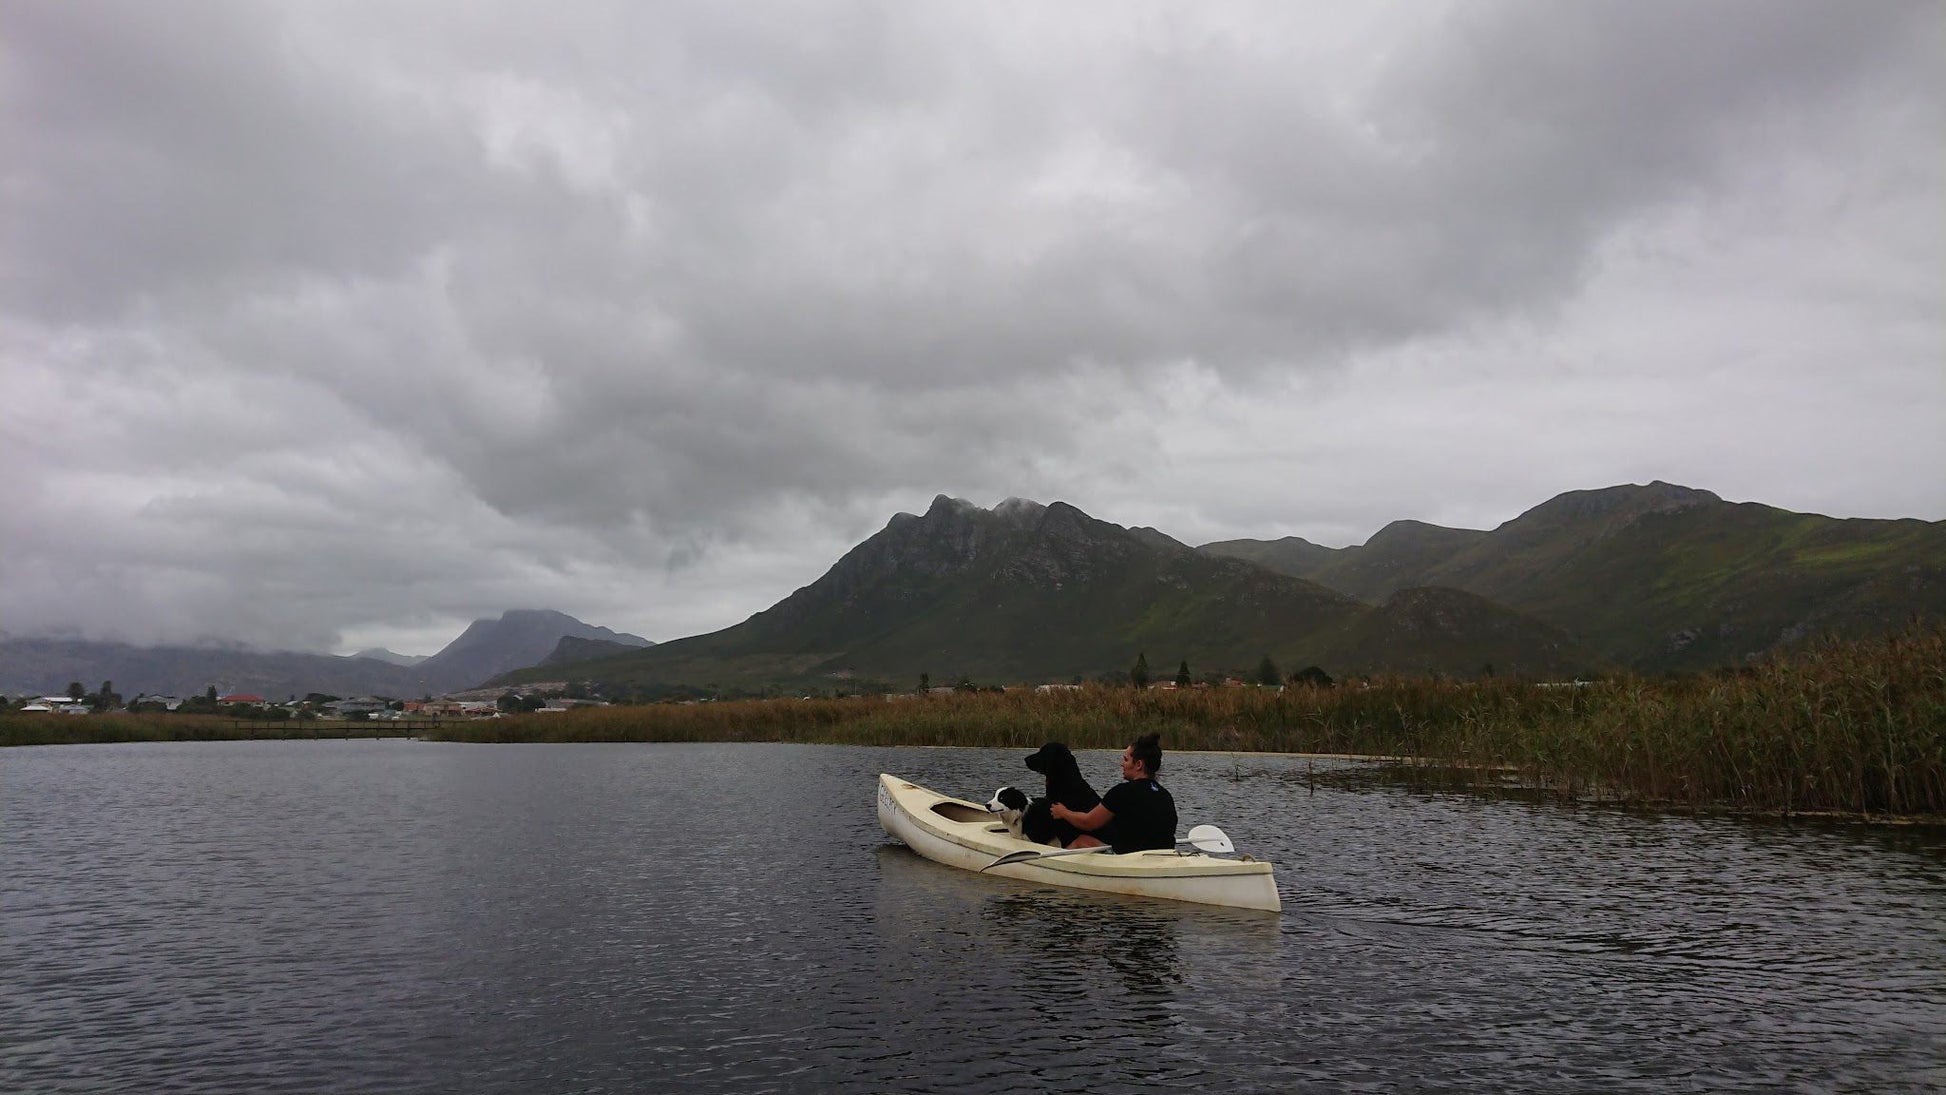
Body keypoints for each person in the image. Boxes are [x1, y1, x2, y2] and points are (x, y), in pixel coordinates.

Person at [1049, 734, 1177, 854]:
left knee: (1082, 841)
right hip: (1164, 856)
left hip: (1131, 861)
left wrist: (1063, 812)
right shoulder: (1166, 795)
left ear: (1138, 765)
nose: (1122, 764)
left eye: (1126, 759)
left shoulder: (1121, 792)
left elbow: (1088, 823)